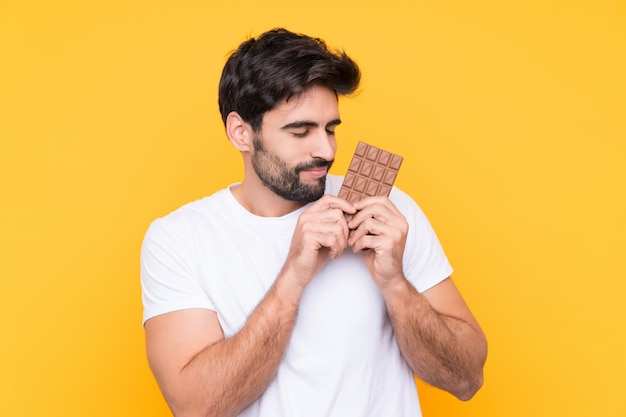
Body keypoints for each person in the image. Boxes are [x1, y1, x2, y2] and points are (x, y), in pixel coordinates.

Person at [140, 28, 487, 417]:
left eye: (331, 129)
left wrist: (395, 284)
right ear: (242, 132)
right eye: (301, 131)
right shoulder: (180, 239)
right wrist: (293, 277)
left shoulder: (385, 211)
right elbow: (196, 407)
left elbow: (467, 378)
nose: (326, 150)